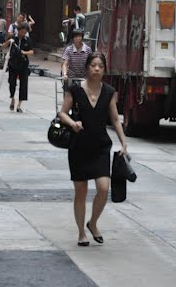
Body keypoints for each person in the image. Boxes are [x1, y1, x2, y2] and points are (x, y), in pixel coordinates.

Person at [58, 51, 128, 247]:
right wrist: (72, 123)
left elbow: (115, 119)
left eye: (100, 66)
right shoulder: (75, 90)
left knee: (104, 188)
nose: (97, 69)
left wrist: (123, 142)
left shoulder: (109, 92)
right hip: (79, 147)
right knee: (81, 192)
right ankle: (81, 232)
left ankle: (93, 222)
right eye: (93, 65)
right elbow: (62, 113)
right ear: (87, 68)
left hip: (100, 148)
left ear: (104, 70)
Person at [3, 22, 33, 112]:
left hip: (23, 65)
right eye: (22, 32)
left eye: (25, 32)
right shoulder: (13, 38)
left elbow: (32, 52)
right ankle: (12, 99)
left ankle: (19, 105)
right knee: (12, 83)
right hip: (13, 64)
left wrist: (25, 52)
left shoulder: (27, 40)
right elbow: (2, 47)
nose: (23, 34)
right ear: (18, 30)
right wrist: (9, 41)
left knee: (23, 85)